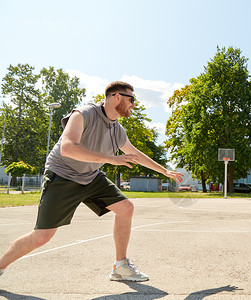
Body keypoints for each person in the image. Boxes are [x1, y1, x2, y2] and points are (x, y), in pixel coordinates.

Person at [0, 81, 184, 282]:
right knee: (42, 236)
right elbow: (68, 148)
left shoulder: (118, 130)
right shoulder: (84, 113)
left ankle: (120, 266)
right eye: (131, 99)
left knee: (126, 208)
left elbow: (135, 154)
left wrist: (165, 171)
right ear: (116, 96)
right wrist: (111, 159)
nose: (133, 104)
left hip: (90, 176)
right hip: (63, 175)